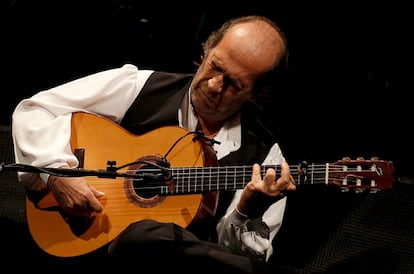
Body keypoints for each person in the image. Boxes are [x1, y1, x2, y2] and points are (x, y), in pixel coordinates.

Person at [12, 15, 296, 273]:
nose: (213, 85)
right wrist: (56, 173)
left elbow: (239, 261)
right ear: (206, 50)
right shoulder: (141, 87)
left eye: (234, 84)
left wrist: (246, 211)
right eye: (215, 66)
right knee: (139, 236)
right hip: (83, 240)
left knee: (143, 238)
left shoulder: (266, 158)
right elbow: (36, 109)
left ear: (257, 94)